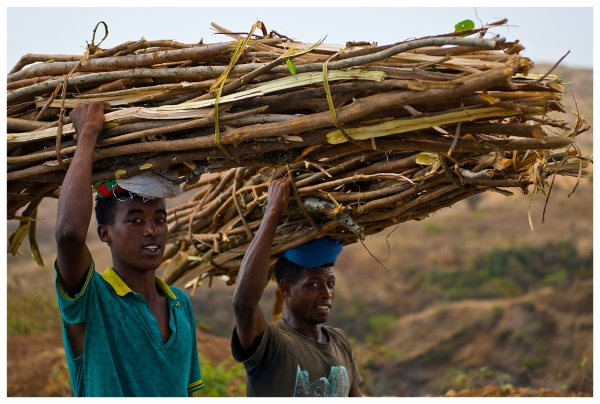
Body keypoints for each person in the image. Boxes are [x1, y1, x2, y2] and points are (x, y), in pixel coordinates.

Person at [54, 102, 204, 397]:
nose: (152, 230)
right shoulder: (93, 299)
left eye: (159, 219)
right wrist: (89, 132)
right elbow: (69, 234)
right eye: (135, 220)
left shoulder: (180, 305)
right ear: (104, 233)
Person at [231, 177, 363, 397]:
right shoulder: (272, 343)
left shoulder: (340, 341)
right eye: (313, 284)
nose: (326, 294)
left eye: (330, 284)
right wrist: (273, 211)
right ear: (287, 288)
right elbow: (244, 304)